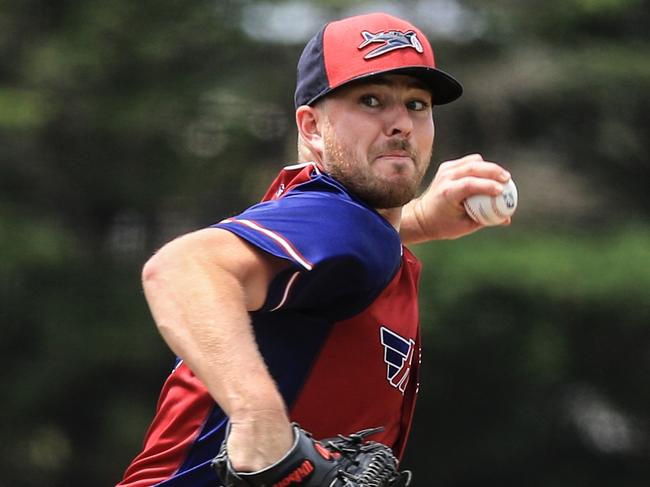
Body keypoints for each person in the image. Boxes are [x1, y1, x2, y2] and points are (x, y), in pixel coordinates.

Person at [116, 12, 512, 487]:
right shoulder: (344, 222)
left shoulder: (352, 233)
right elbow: (180, 268)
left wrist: (419, 221)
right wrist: (259, 420)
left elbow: (340, 259)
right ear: (311, 127)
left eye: (417, 104)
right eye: (371, 100)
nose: (401, 123)